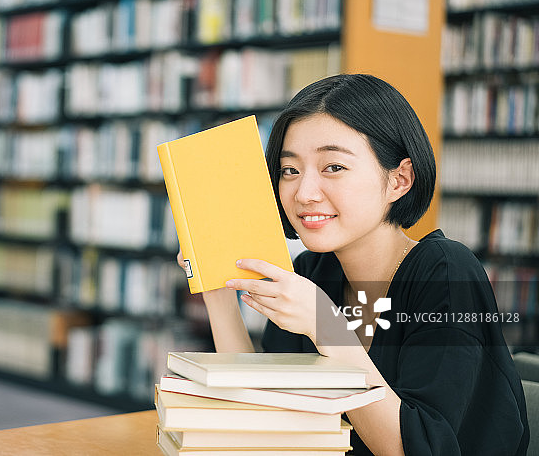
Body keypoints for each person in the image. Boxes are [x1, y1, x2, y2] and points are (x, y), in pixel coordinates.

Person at [178, 74, 529, 455]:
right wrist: (216, 291)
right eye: (290, 170)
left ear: (399, 180)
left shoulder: (446, 272)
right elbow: (265, 411)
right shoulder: (314, 273)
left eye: (333, 167)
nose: (305, 193)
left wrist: (326, 326)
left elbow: (413, 449)